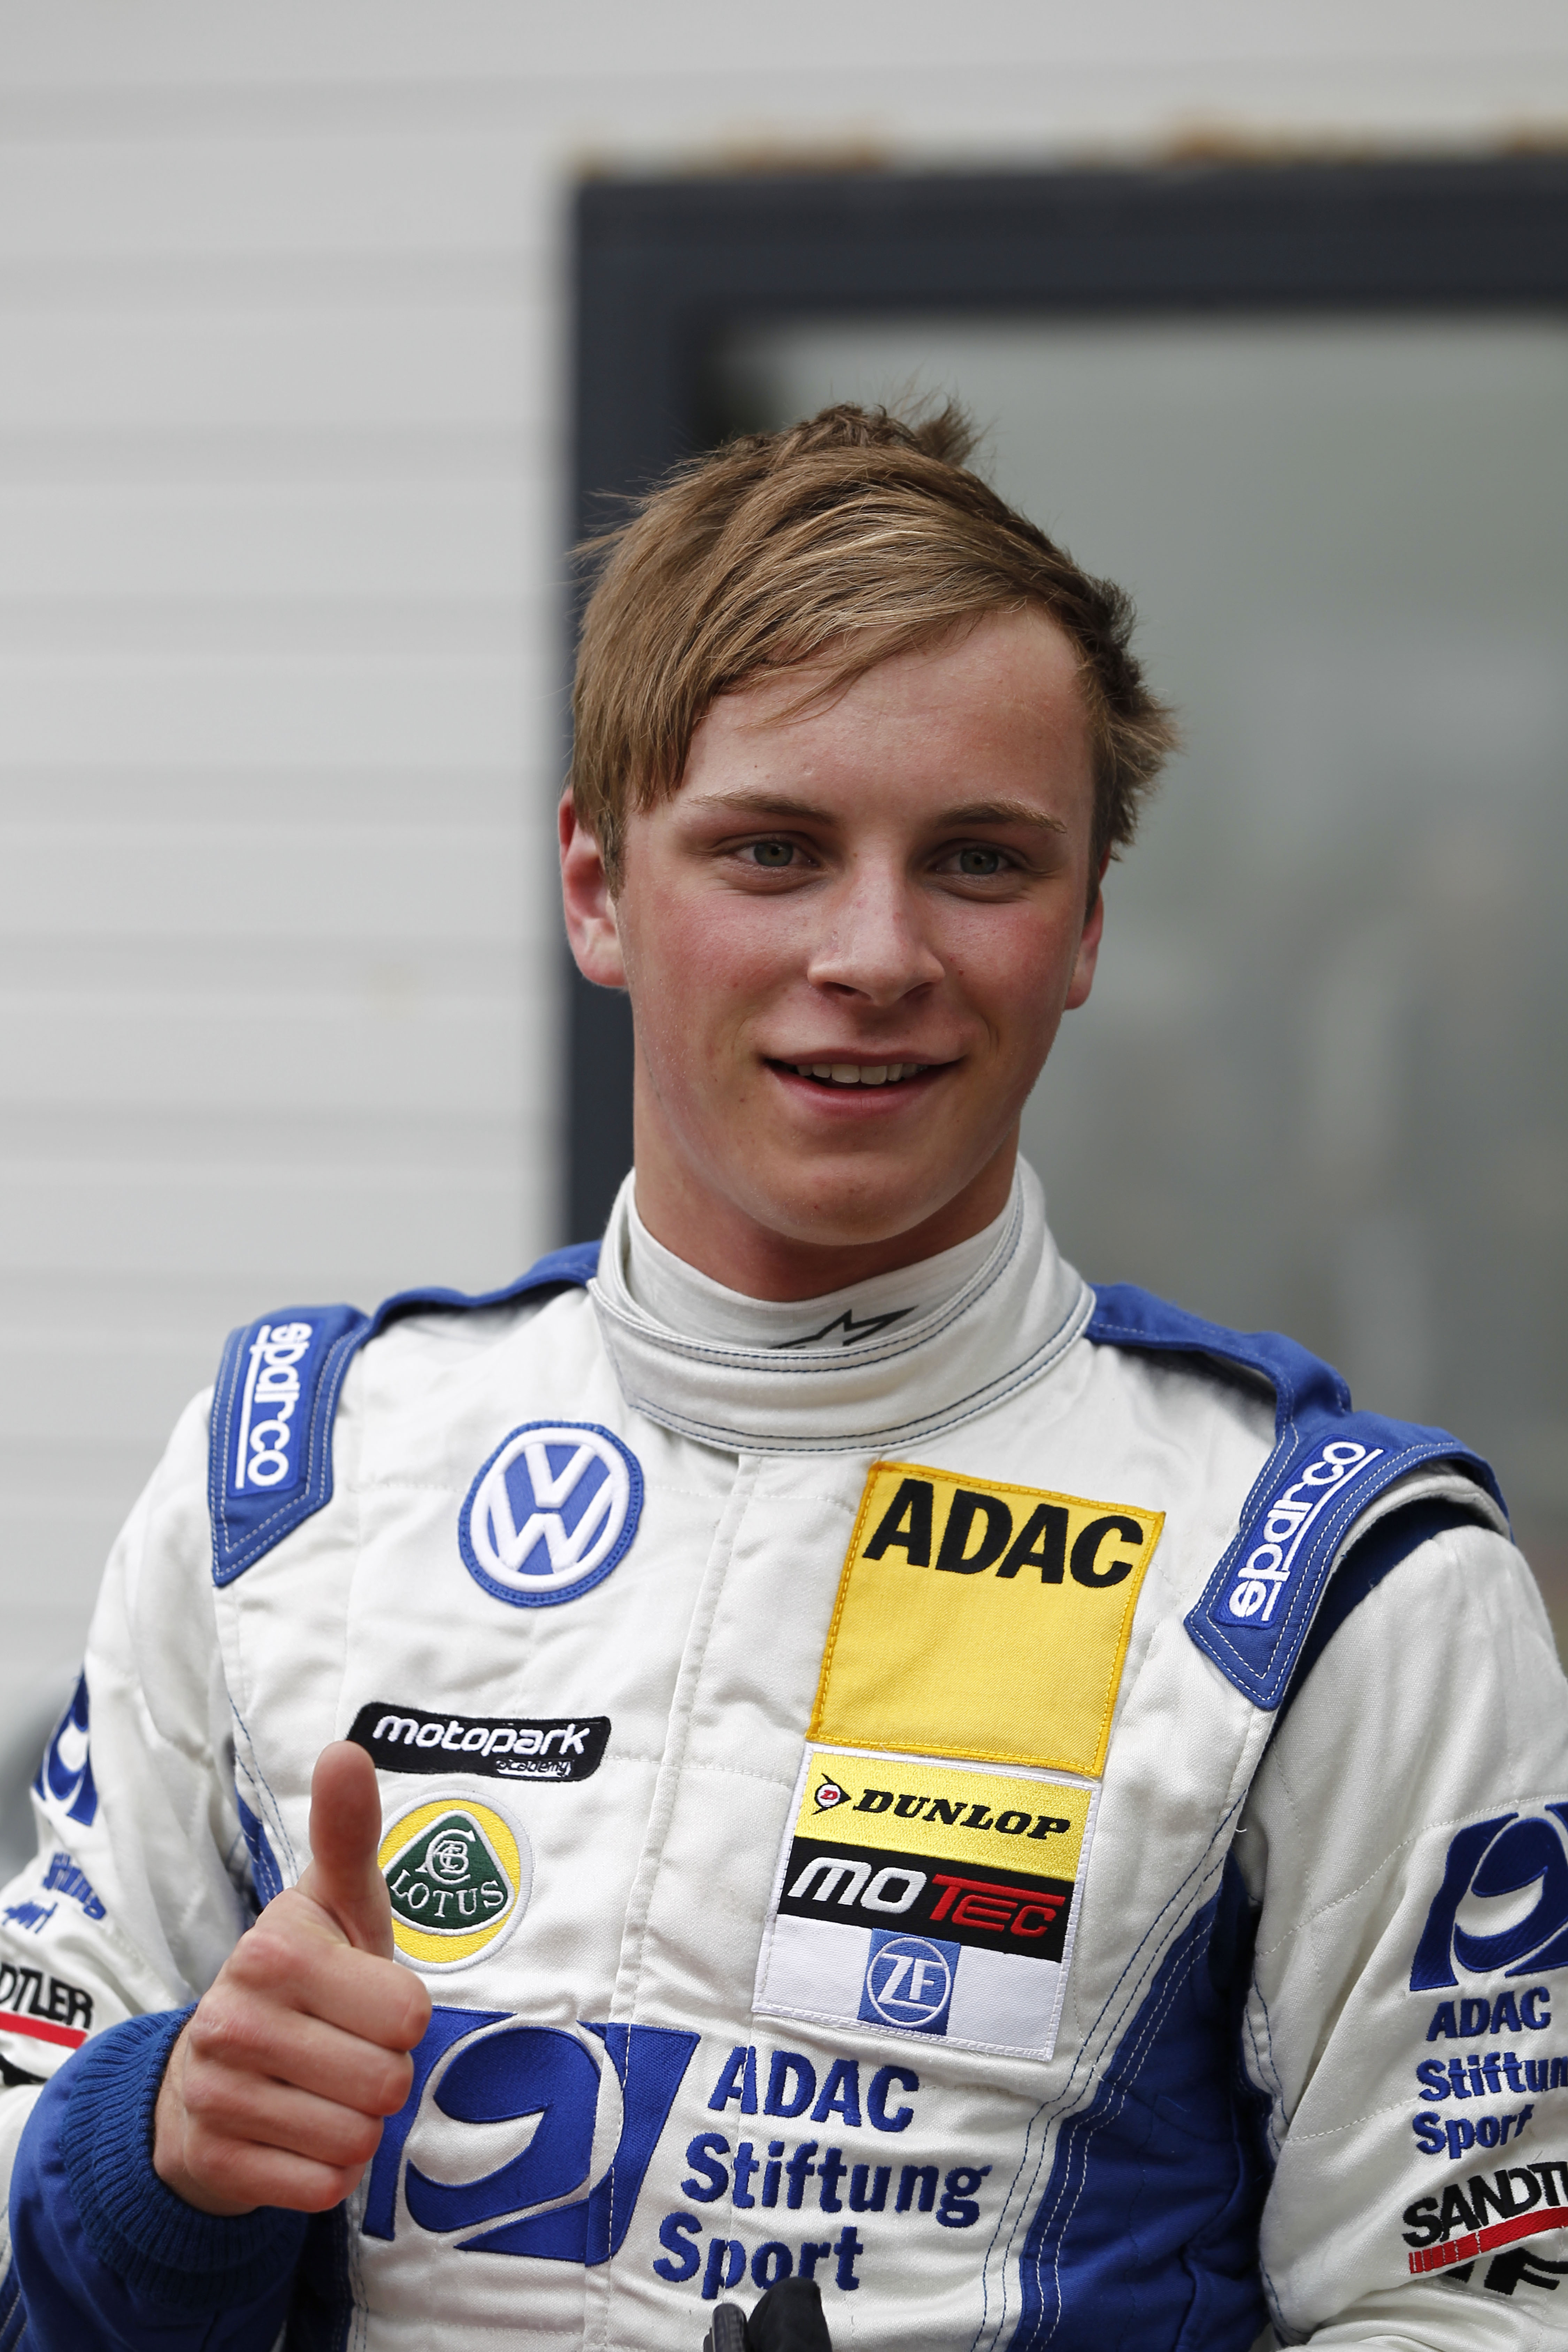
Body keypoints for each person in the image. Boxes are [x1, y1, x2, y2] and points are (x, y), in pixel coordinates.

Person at [0, 402, 1562, 2352]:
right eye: (773, 849)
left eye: (978, 860)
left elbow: (1479, 2311)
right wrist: (156, 2157)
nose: (875, 951)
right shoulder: (295, 1476)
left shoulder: (1336, 1574)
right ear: (596, 888)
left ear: (1084, 929)